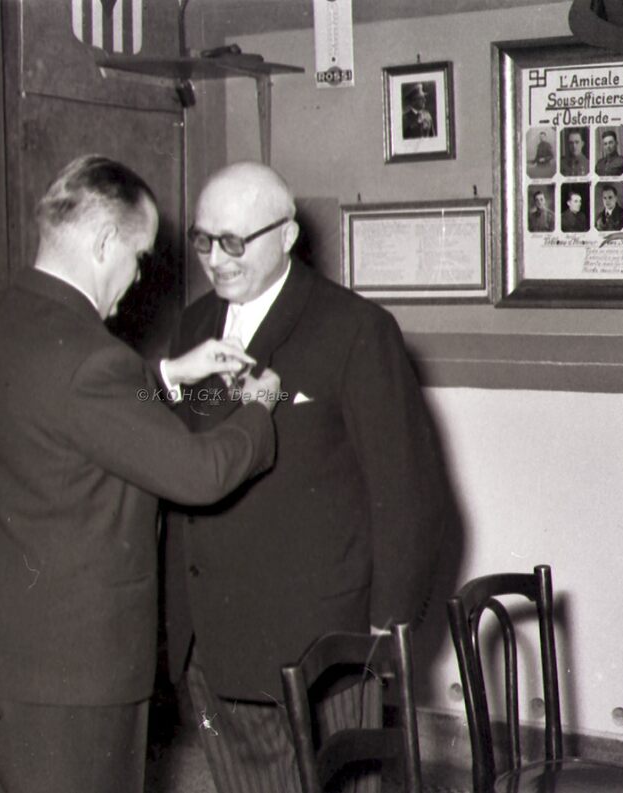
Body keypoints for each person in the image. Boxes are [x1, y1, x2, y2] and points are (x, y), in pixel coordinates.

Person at [0, 155, 282, 793]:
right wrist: (260, 410)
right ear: (103, 242)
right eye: (139, 256)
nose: (138, 275)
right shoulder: (94, 358)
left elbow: (61, 411)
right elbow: (200, 473)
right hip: (68, 674)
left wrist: (166, 376)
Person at [164, 161, 446, 793]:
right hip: (212, 631)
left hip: (319, 640)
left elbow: (407, 491)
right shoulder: (192, 326)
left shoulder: (355, 329)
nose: (216, 259)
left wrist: (388, 627)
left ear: (287, 236)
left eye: (234, 241)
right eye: (204, 240)